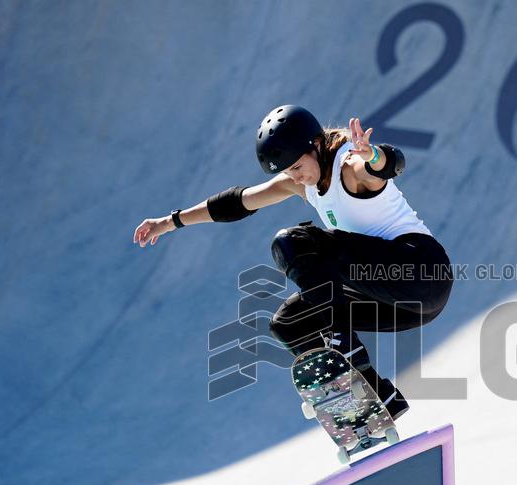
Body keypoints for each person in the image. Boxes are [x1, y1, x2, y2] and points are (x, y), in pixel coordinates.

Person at [133, 105, 454, 420]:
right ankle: (372, 397)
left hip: (421, 272)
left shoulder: (349, 166)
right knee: (290, 323)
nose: (296, 177)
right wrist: (172, 221)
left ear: (315, 145)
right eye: (288, 172)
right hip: (403, 304)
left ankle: (347, 349)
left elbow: (385, 166)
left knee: (293, 242)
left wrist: (372, 155)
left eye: (298, 167)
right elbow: (238, 202)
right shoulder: (300, 182)